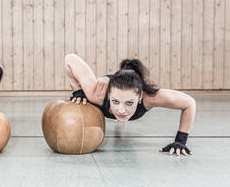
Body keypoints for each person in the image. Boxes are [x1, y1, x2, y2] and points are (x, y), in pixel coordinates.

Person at [64, 53, 196, 156]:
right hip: (108, 84)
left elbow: (189, 103)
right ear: (109, 95)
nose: (121, 110)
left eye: (129, 103)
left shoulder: (150, 98)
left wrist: (180, 141)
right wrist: (78, 91)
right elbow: (70, 59)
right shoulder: (95, 92)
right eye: (115, 102)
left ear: (139, 97)